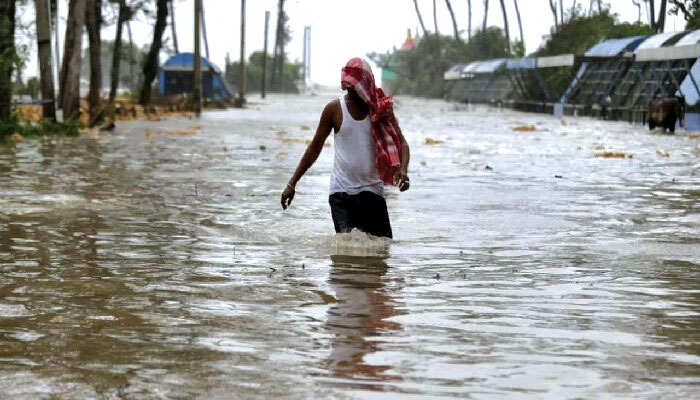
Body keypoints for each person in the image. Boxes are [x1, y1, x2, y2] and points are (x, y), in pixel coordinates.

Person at [280, 58, 410, 239]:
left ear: (367, 83)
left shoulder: (381, 110)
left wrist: (403, 170)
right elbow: (314, 148)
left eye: (355, 86)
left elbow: (401, 142)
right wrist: (291, 184)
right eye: (348, 86)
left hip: (372, 191)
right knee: (346, 249)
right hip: (341, 193)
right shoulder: (334, 109)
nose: (351, 91)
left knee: (381, 252)